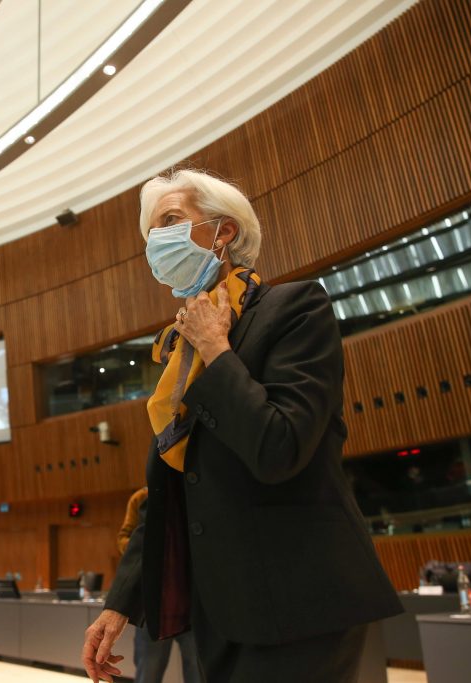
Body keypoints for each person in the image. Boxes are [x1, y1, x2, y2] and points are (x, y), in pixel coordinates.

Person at [81, 169, 403, 682]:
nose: (157, 241)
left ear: (223, 231)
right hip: (217, 613)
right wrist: (120, 602)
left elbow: (280, 446)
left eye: (170, 221)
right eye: (151, 233)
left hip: (300, 603)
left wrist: (216, 349)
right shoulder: (179, 353)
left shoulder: (294, 309)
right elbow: (171, 491)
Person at [117, 487, 203, 683]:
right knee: (148, 671)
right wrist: (151, 550)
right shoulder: (141, 497)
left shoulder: (192, 491)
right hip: (154, 606)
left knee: (197, 673)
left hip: (192, 604)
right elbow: (123, 538)